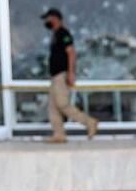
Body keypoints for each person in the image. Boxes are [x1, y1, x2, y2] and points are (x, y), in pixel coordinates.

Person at [40, 8, 97, 143]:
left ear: (55, 18)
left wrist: (70, 72)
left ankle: (89, 122)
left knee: (62, 104)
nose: (46, 21)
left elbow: (71, 52)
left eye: (47, 18)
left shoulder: (64, 34)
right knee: (53, 107)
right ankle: (59, 134)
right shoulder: (55, 35)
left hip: (61, 74)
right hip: (55, 76)